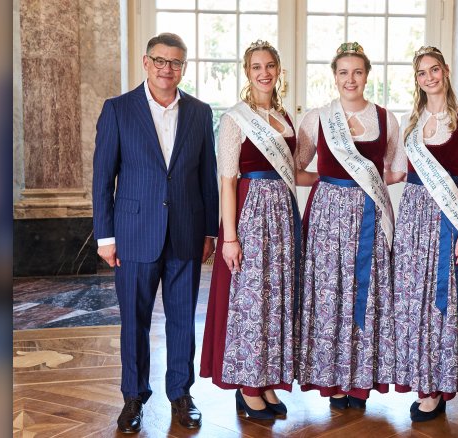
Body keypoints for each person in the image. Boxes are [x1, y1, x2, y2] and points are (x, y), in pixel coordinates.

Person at [92, 32, 218, 433]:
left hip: (186, 230)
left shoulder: (199, 112)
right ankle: (134, 397)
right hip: (132, 233)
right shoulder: (118, 110)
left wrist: (210, 231)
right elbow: (101, 178)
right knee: (135, 320)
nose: (168, 69)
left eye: (176, 62)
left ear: (184, 66)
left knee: (183, 318)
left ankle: (181, 394)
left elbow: (207, 178)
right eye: (160, 61)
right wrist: (104, 236)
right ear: (146, 63)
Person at [200, 40, 312, 420]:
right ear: (247, 73)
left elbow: (294, 172)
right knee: (250, 301)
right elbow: (227, 180)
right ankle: (248, 386)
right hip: (249, 214)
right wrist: (229, 237)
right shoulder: (235, 118)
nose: (264, 72)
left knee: (274, 298)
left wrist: (339, 177)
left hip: (282, 215)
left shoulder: (284, 117)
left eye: (269, 66)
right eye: (255, 67)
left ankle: (265, 381)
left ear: (279, 70)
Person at [295, 42, 400, 410]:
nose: (350, 79)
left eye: (357, 72)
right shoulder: (317, 117)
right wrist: (329, 182)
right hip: (327, 216)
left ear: (367, 75)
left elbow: (396, 169)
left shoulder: (386, 119)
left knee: (366, 293)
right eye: (343, 72)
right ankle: (332, 378)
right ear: (334, 76)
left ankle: (360, 381)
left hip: (369, 215)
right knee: (328, 295)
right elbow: (294, 168)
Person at [389, 46, 458, 422]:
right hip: (412, 219)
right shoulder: (411, 122)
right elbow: (395, 172)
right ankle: (419, 378)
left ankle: (436, 387)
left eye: (434, 70)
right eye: (421, 73)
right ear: (417, 80)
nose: (429, 77)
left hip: (446, 221)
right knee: (413, 302)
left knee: (439, 302)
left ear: (445, 72)